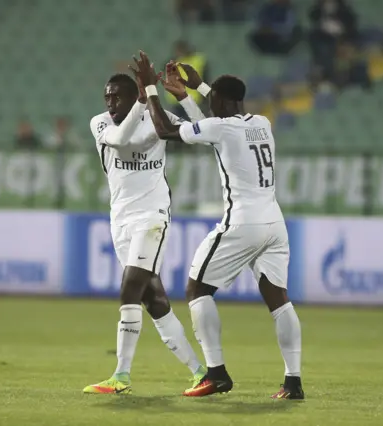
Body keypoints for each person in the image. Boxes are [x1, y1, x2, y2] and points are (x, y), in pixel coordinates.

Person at [132, 52, 304, 399]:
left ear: (221, 102)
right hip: (274, 223)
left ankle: (216, 373)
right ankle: (293, 381)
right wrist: (192, 92)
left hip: (242, 223)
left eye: (212, 100)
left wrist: (150, 87)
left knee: (197, 290)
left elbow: (167, 130)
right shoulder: (261, 123)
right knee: (279, 301)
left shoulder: (222, 126)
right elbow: (217, 126)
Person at [83, 58, 206, 395]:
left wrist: (182, 98)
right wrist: (141, 100)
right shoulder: (100, 123)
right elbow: (123, 141)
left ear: (133, 95)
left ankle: (121, 375)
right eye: (107, 97)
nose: (110, 104)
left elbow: (202, 131)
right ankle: (200, 371)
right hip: (119, 221)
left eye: (117, 97)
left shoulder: (155, 118)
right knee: (155, 301)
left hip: (151, 218)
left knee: (130, 289)